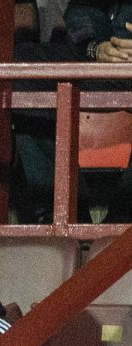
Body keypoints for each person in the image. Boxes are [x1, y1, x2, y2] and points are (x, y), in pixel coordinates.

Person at [13, 1, 132, 224]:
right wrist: (96, 47)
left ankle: (125, 216)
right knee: (25, 66)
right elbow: (84, 9)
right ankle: (62, 214)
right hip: (111, 57)